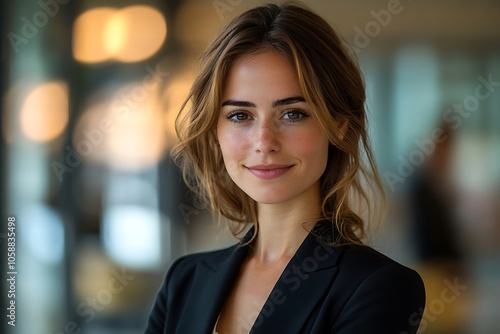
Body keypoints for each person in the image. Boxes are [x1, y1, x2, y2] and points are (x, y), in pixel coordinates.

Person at [145, 2, 425, 333]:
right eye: (240, 115)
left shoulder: (378, 287)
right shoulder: (184, 281)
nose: (264, 141)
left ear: (338, 125)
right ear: (214, 130)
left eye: (292, 114)